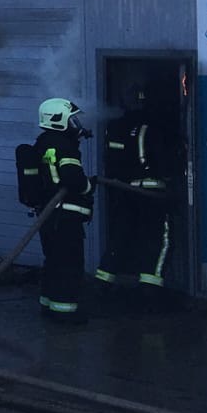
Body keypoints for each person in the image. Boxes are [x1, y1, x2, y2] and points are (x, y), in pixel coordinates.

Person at [95, 79, 181, 293]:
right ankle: (150, 290)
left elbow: (111, 162)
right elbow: (166, 163)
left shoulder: (114, 127)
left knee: (120, 236)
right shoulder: (155, 128)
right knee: (159, 239)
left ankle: (103, 284)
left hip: (124, 192)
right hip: (151, 194)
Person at [32, 98, 94, 321]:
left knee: (54, 261)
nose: (75, 124)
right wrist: (89, 185)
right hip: (65, 215)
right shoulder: (63, 146)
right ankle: (65, 313)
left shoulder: (43, 142)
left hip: (48, 215)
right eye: (72, 120)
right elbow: (72, 178)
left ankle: (48, 305)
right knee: (69, 263)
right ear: (59, 120)